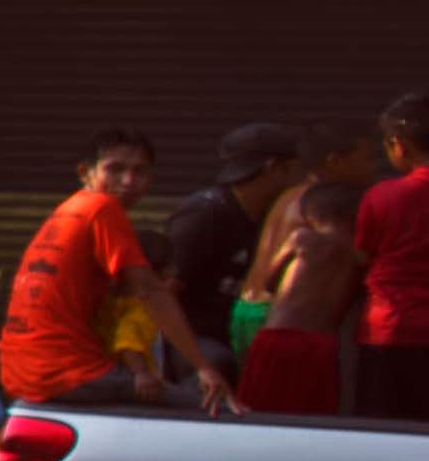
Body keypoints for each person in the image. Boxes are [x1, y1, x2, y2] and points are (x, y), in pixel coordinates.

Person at [0, 133, 232, 419]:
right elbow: (150, 292)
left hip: (21, 370)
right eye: (116, 169)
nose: (129, 181)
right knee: (212, 409)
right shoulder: (102, 208)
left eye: (139, 171)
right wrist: (205, 369)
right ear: (86, 172)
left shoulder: (68, 209)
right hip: (67, 371)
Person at [147, 124, 301, 389]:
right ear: (275, 168)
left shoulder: (269, 216)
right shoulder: (205, 216)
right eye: (296, 168)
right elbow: (162, 295)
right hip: (191, 338)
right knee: (219, 364)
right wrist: (200, 364)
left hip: (235, 332)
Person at [248, 155, 361, 417]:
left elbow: (269, 281)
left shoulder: (300, 239)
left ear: (310, 216)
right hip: (321, 343)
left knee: (264, 411)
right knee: (313, 414)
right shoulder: (358, 256)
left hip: (278, 338)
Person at [352, 98, 429, 423]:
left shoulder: (383, 195)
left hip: (390, 331)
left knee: (382, 433)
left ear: (399, 145)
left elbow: (361, 255)